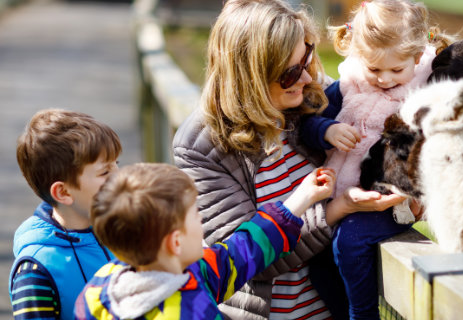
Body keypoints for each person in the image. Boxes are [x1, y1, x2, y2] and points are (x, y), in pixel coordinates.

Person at [172, 0, 407, 320]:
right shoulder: (201, 147)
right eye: (291, 72)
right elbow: (247, 259)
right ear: (250, 75)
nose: (309, 77)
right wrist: (337, 208)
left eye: (307, 58)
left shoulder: (311, 98)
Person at [301, 0, 453, 319]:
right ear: (359, 56)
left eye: (396, 69)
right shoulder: (349, 86)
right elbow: (307, 124)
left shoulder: (424, 92)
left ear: (416, 57)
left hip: (392, 201)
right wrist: (326, 130)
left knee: (350, 241)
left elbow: (442, 146)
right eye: (374, 69)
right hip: (345, 194)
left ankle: (364, 314)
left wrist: (418, 192)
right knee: (318, 262)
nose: (384, 79)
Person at [73, 162, 334, 319]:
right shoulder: (188, 309)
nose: (201, 220)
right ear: (175, 242)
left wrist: (300, 200)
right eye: (195, 214)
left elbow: (237, 255)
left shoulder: (99, 288)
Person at [9, 109, 122, 320]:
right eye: (105, 172)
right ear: (63, 192)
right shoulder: (35, 272)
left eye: (118, 164)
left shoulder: (125, 232)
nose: (120, 176)